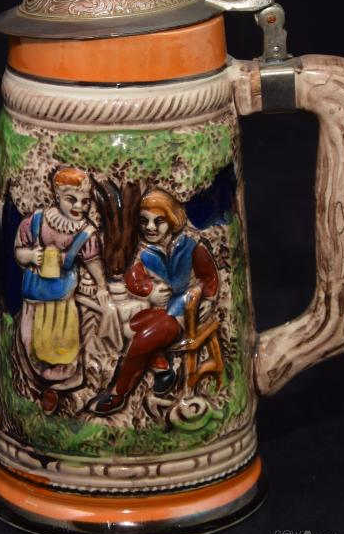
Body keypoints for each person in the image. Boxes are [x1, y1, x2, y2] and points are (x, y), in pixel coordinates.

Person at [89, 188, 218, 416]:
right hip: (160, 310)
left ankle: (118, 393)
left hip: (182, 312)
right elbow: (133, 279)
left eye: (158, 222)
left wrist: (205, 296)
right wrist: (149, 291)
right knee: (128, 329)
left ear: (172, 221)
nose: (150, 227)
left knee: (142, 340)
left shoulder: (190, 246)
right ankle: (162, 368)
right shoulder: (146, 252)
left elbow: (209, 277)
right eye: (144, 221)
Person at [14, 166, 109, 414]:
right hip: (35, 296)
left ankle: (56, 390)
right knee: (30, 341)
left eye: (85, 201)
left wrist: (101, 286)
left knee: (63, 346)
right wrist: (29, 256)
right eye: (71, 199)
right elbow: (19, 252)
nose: (79, 206)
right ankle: (36, 387)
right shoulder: (35, 221)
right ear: (57, 195)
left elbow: (93, 261)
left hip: (63, 300)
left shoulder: (85, 232)